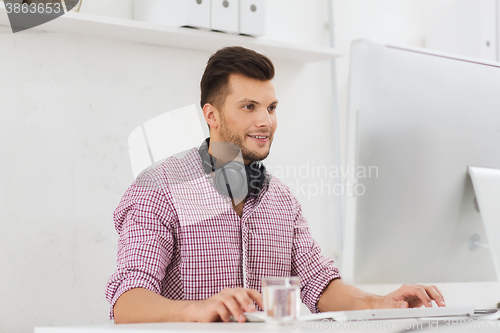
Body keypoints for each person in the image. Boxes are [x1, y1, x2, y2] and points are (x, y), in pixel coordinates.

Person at [105, 46, 446, 324]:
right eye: (249, 107)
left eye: (271, 107)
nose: (265, 121)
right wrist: (195, 310)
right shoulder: (159, 188)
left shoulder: (281, 199)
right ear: (211, 116)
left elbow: (319, 283)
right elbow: (128, 300)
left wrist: (381, 303)